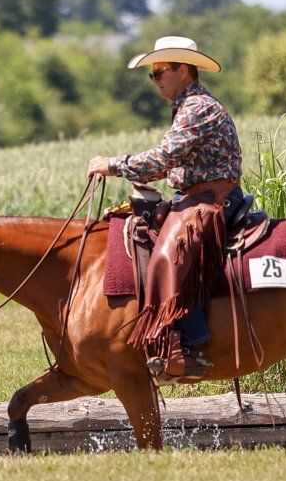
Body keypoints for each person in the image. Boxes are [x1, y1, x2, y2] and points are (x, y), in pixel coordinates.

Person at [87, 36, 243, 383]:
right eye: (152, 75)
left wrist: (111, 164)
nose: (155, 80)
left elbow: (162, 158)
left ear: (184, 70)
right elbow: (168, 164)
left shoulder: (198, 107)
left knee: (165, 255)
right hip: (194, 196)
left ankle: (188, 348)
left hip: (213, 200)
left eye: (159, 73)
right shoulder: (186, 107)